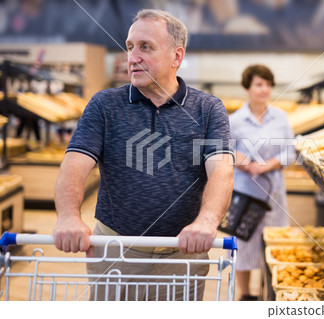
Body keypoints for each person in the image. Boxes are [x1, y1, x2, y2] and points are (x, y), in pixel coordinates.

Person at [52, 9, 234, 301]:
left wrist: (207, 221)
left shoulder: (208, 109)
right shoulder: (104, 105)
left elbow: (221, 170)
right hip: (114, 255)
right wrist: (68, 217)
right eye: (129, 47)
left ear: (177, 57)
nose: (132, 57)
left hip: (182, 257)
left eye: (145, 47)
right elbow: (74, 163)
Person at [230, 64, 296, 301]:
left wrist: (269, 164)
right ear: (248, 87)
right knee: (245, 244)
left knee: (274, 241)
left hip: (273, 191)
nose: (264, 89)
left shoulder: (281, 117)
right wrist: (245, 162)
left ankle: (272, 292)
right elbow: (225, 150)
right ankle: (246, 295)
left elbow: (291, 151)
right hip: (246, 191)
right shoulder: (236, 120)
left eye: (268, 84)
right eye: (259, 84)